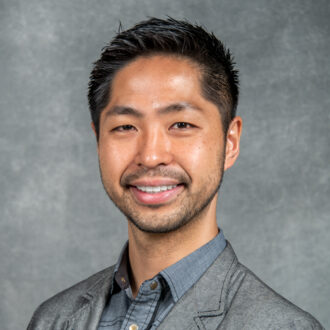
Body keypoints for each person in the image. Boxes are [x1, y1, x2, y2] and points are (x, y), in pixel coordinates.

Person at [27, 17, 324, 330]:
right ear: (98, 140)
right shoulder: (53, 320)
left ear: (230, 142)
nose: (151, 156)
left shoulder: (284, 326)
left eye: (181, 125)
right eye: (125, 127)